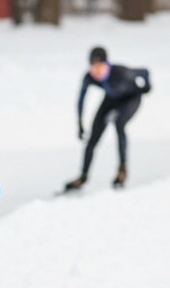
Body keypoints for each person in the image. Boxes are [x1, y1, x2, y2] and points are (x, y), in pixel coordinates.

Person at [64, 46, 150, 192]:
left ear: (107, 64)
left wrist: (147, 86)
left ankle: (122, 171)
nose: (96, 71)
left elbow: (144, 71)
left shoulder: (120, 72)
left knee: (119, 124)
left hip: (131, 99)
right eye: (93, 67)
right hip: (111, 99)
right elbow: (81, 100)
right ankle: (83, 176)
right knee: (93, 136)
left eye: (100, 66)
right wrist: (80, 124)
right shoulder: (89, 77)